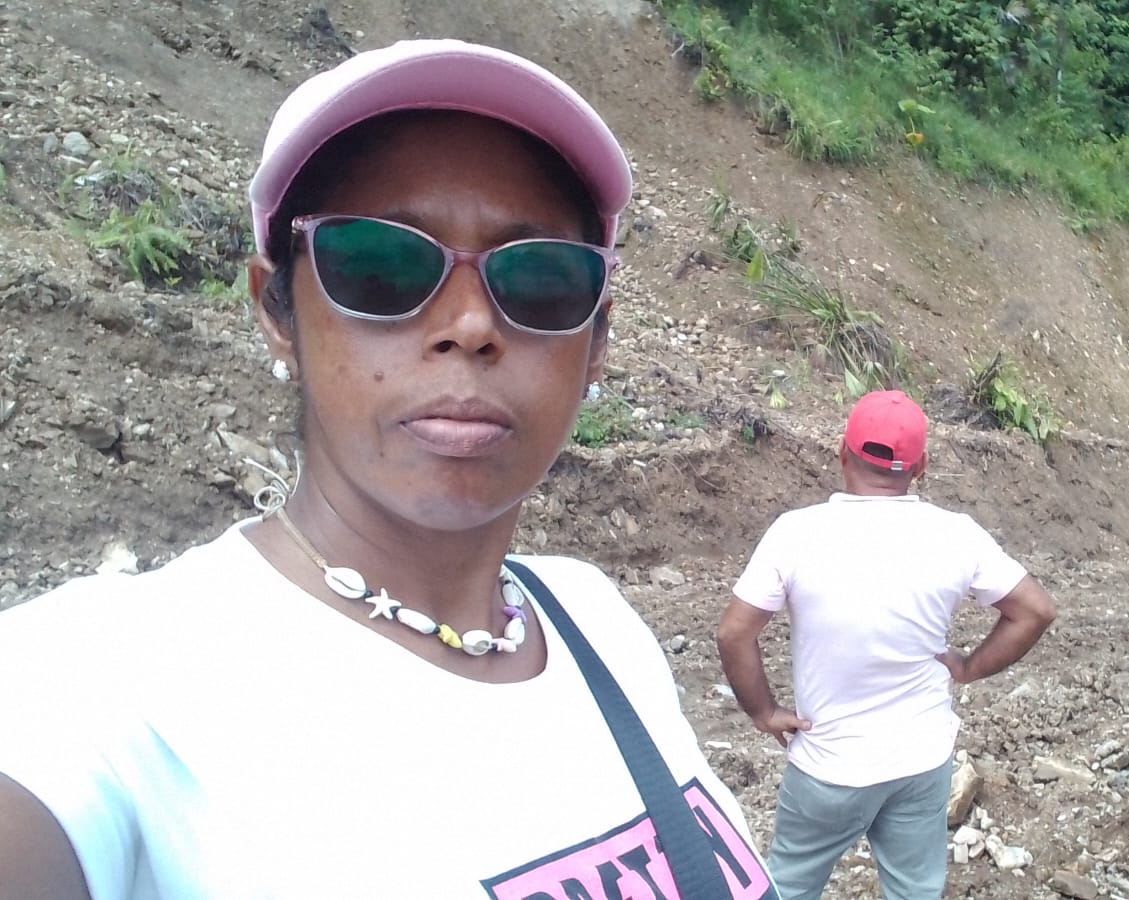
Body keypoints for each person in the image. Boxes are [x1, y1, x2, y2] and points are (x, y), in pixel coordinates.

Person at [0, 39, 777, 900]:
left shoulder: (597, 621)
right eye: (380, 265)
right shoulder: (104, 683)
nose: (471, 325)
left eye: (541, 278)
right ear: (277, 310)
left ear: (596, 344)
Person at [716, 390, 1058, 900]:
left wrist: (763, 712)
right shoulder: (956, 535)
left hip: (829, 765)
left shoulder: (797, 533)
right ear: (920, 467)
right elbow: (1036, 609)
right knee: (915, 890)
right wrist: (968, 667)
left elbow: (733, 632)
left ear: (842, 452)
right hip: (921, 761)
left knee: (787, 886)